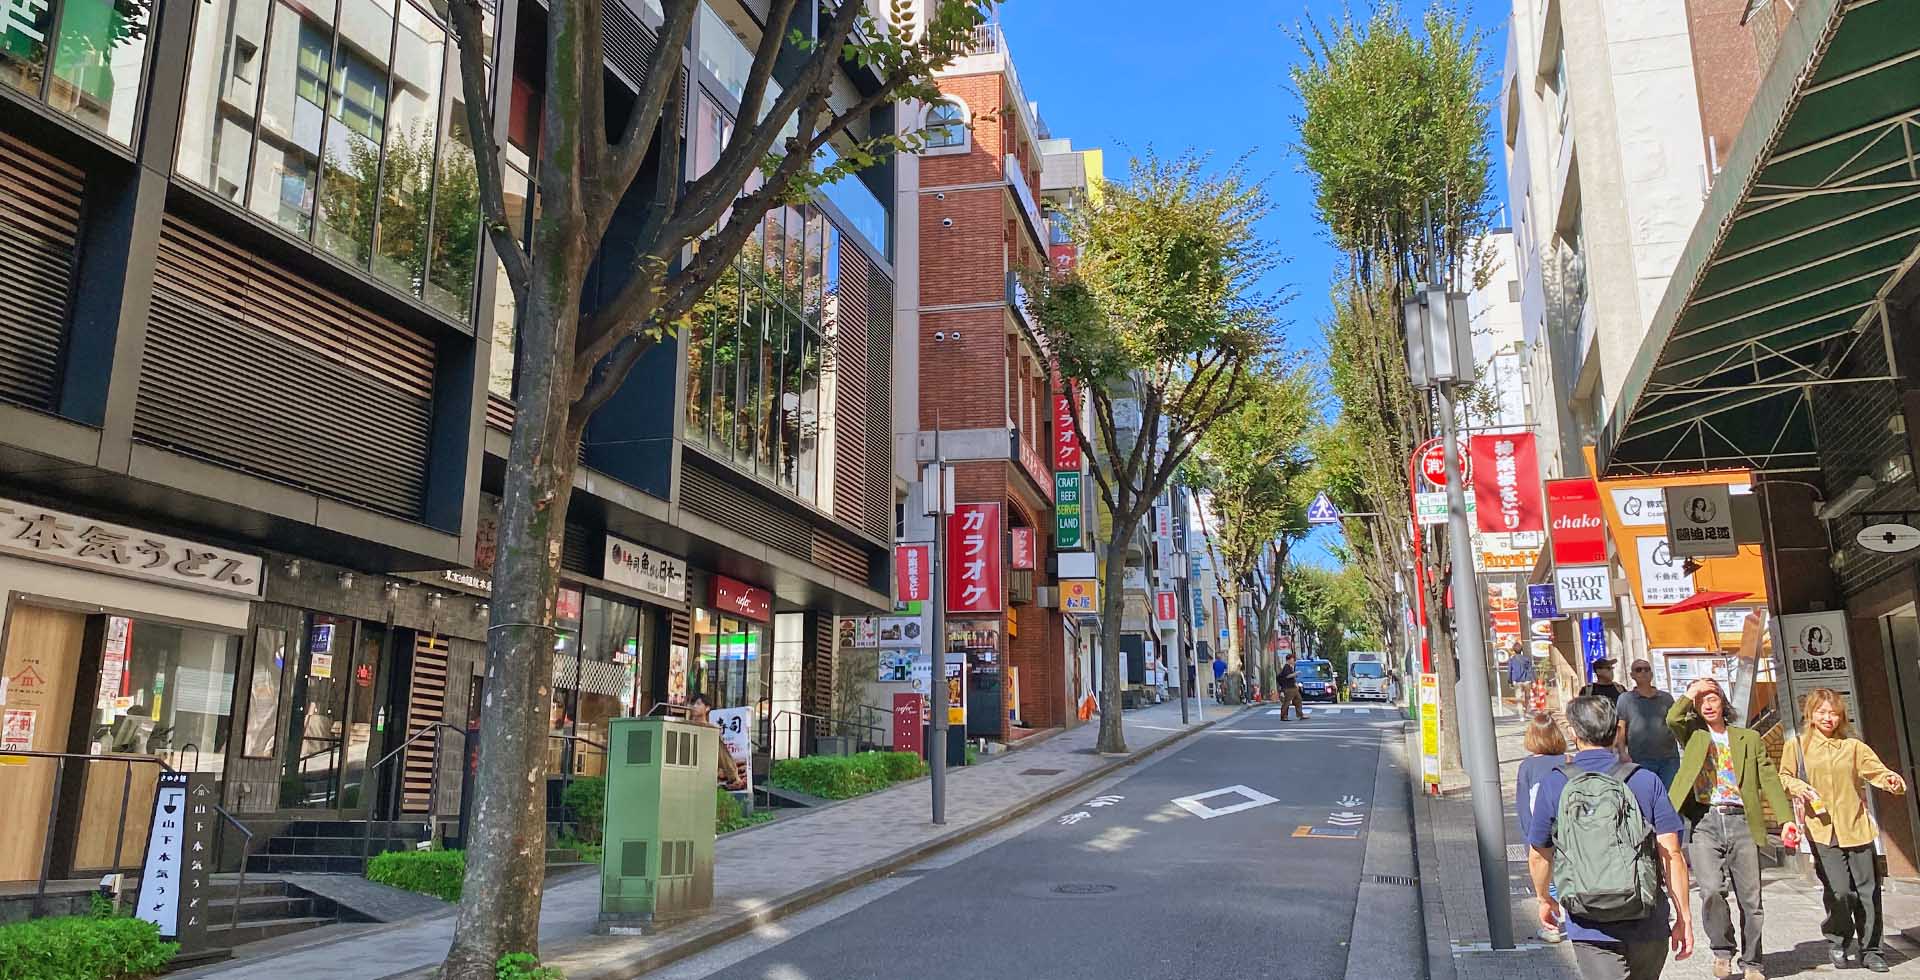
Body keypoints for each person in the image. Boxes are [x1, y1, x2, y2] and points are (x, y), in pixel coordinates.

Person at [1527, 695, 1692, 979]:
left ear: (1574, 734)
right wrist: (1684, 916)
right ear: (1617, 731)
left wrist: (1544, 899)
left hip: (1588, 922)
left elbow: (1540, 854)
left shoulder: (1556, 782)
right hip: (1647, 919)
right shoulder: (1644, 780)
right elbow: (1671, 853)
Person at [1668, 679, 1791, 980]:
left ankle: (1753, 962)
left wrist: (1786, 818)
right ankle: (1722, 950)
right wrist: (1692, 690)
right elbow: (1672, 718)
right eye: (1702, 701)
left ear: (1724, 703)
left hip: (1742, 821)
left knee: (1751, 899)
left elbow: (1769, 779)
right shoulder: (1694, 736)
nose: (1708, 704)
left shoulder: (1748, 738)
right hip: (1705, 821)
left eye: (1713, 698)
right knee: (1710, 890)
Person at [1778, 689, 1908, 973]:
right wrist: (1799, 787)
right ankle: (1838, 939)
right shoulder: (1797, 746)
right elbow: (1784, 777)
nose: (1828, 718)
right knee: (1839, 892)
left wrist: (1892, 781)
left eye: (1833, 713)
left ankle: (1872, 950)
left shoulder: (1853, 747)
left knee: (1867, 892)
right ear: (1810, 715)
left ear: (1841, 716)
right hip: (1822, 830)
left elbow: (1878, 772)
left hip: (1856, 827)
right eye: (1822, 712)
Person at [1515, 712, 1571, 943]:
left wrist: (1529, 837)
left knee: (1546, 878)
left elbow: (1523, 806)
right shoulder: (1568, 760)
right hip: (1568, 830)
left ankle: (1553, 924)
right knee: (1567, 874)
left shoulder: (1527, 766)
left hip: (1541, 830)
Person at [1617, 660, 1680, 788]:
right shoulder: (1625, 699)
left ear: (1651, 673)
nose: (1644, 672)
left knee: (1671, 797)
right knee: (1648, 795)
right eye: (1639, 670)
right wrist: (1622, 752)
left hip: (1669, 758)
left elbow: (1675, 723)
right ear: (1632, 675)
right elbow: (1621, 727)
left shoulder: (1666, 698)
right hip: (1640, 758)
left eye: (1647, 669)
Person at [687, 693, 748, 791]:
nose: (694, 706)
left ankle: (734, 777)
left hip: (704, 770)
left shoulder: (711, 730)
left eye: (698, 704)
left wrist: (733, 774)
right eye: (692, 704)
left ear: (707, 708)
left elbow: (722, 753)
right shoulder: (685, 726)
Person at [1277, 654, 1303, 720]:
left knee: (1298, 699)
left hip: (1293, 687)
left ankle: (1300, 714)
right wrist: (1296, 673)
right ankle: (1284, 716)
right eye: (1292, 659)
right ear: (1289, 659)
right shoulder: (1286, 667)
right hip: (1288, 688)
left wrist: (1295, 683)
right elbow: (1287, 676)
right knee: (1287, 702)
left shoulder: (1290, 667)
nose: (1293, 660)